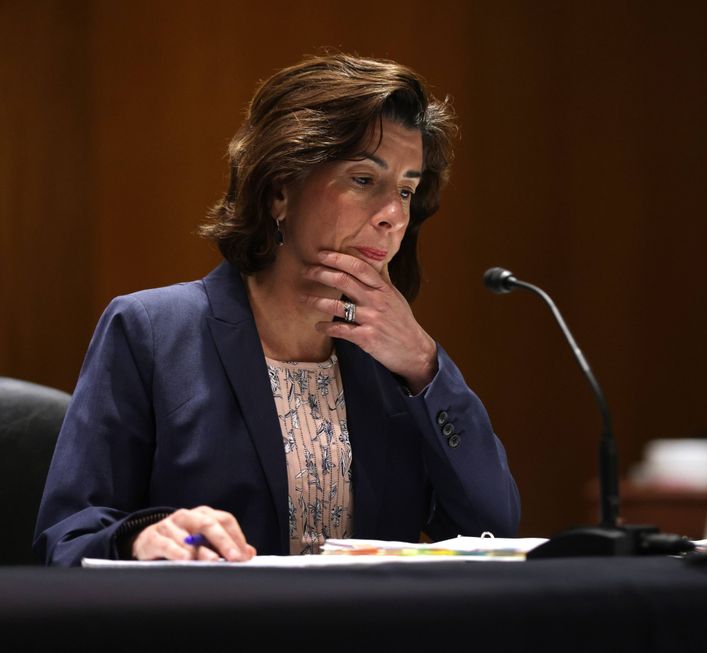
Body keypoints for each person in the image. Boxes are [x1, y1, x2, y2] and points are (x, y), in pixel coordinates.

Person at [34, 53, 520, 566]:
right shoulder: (151, 332)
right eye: (363, 180)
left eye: (406, 190)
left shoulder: (397, 366)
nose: (394, 215)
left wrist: (424, 363)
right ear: (279, 189)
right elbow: (64, 542)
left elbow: (492, 528)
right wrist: (143, 536)